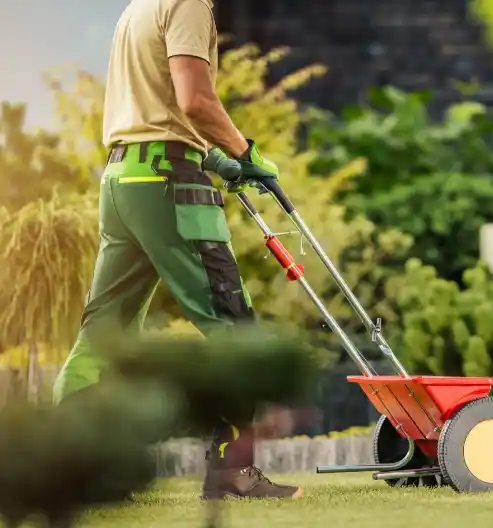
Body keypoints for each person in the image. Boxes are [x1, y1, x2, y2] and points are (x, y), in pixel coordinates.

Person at [52, 0, 302, 500]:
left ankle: (66, 466)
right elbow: (194, 101)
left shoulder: (137, 9)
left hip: (123, 180)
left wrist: (210, 156)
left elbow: (156, 108)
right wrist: (243, 151)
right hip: (170, 184)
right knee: (233, 325)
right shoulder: (187, 3)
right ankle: (234, 470)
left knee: (103, 333)